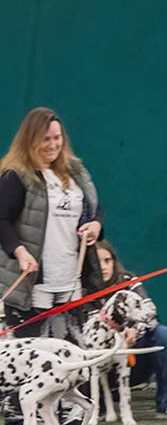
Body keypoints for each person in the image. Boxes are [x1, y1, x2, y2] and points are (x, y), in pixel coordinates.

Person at [0, 107, 103, 338]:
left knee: (73, 356)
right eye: (45, 139)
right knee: (36, 359)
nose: (52, 145)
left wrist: (95, 225)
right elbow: (2, 219)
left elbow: (95, 208)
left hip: (71, 281)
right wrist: (20, 251)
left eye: (57, 138)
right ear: (30, 139)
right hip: (33, 286)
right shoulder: (16, 175)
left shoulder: (76, 171)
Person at [95, 240, 167, 421]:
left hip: (133, 362)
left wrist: (134, 329)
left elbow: (150, 310)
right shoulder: (80, 288)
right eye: (98, 262)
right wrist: (117, 338)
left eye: (108, 260)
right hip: (97, 368)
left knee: (163, 334)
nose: (104, 267)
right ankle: (95, 406)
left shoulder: (128, 280)